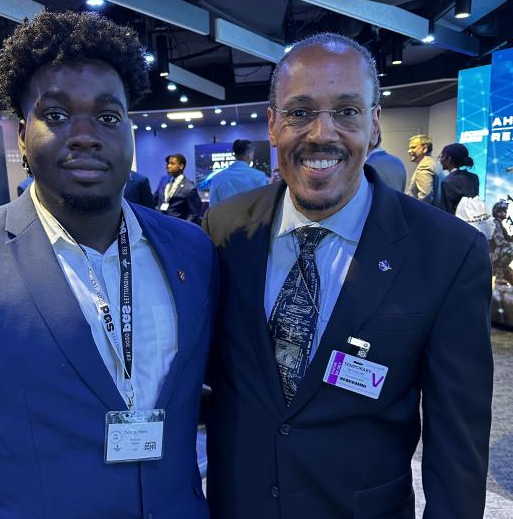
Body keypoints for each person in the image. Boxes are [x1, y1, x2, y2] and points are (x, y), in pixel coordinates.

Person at [0, 11, 217, 518]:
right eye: (56, 115)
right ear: (20, 137)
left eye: (107, 117)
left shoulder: (191, 250)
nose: (85, 135)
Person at [203, 33, 492, 519]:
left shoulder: (447, 252)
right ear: (272, 125)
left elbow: (458, 445)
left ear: (374, 125)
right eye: (299, 112)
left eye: (346, 111)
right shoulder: (225, 230)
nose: (322, 133)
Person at [209, 139, 268, 206]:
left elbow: (212, 208)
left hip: (225, 216)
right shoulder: (260, 177)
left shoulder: (217, 178)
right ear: (249, 155)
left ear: (235, 155)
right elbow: (264, 206)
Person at [154, 153, 203, 224]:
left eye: (172, 163)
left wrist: (184, 227)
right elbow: (154, 200)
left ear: (181, 166)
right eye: (168, 163)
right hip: (159, 224)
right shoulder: (163, 180)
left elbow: (194, 213)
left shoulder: (189, 187)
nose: (168, 166)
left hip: (176, 226)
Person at [438, 142, 479, 214]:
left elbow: (445, 211)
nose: (440, 160)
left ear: (449, 159)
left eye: (442, 156)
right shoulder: (474, 177)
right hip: (472, 221)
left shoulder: (447, 181)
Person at [406, 133, 443, 204]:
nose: (409, 151)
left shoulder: (425, 166)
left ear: (425, 148)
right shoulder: (434, 163)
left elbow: (425, 197)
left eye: (413, 147)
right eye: (409, 148)